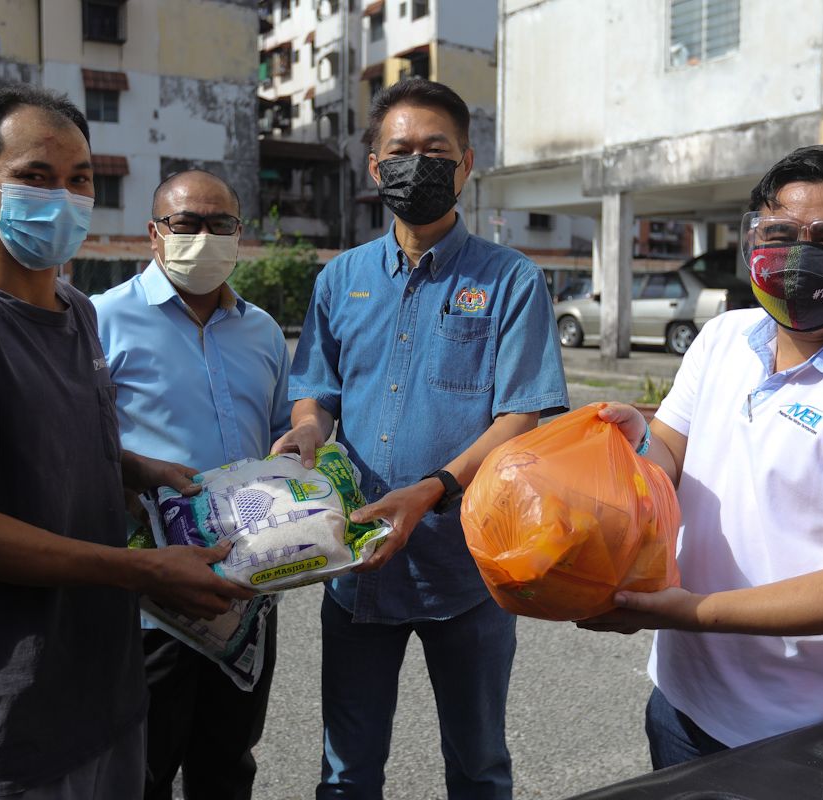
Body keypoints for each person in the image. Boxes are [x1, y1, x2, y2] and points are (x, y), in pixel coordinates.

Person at [0, 84, 252, 800]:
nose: (63, 199)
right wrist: (141, 571)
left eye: (80, 179)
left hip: (106, 699)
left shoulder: (76, 311)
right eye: (36, 176)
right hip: (3, 719)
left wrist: (135, 467)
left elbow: (46, 441)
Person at [580, 144, 823, 769]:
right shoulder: (724, 337)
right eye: (779, 234)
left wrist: (693, 612)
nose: (799, 255)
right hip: (680, 696)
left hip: (798, 732)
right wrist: (635, 442)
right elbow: (670, 449)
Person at [273, 77, 569, 800]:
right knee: (347, 772)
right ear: (376, 168)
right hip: (357, 566)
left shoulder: (510, 280)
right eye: (400, 150)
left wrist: (432, 490)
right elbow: (318, 392)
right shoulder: (340, 279)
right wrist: (306, 430)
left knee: (478, 765)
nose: (418, 163)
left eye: (436, 150)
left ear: (466, 164)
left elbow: (519, 417)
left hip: (466, 570)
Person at [92, 169, 292, 800]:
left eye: (220, 224)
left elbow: (282, 431)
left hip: (247, 595)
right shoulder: (101, 319)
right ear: (154, 233)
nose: (204, 236)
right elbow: (74, 444)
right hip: (153, 602)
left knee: (228, 764)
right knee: (142, 769)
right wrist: (135, 472)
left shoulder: (263, 331)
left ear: (240, 233)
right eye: (186, 223)